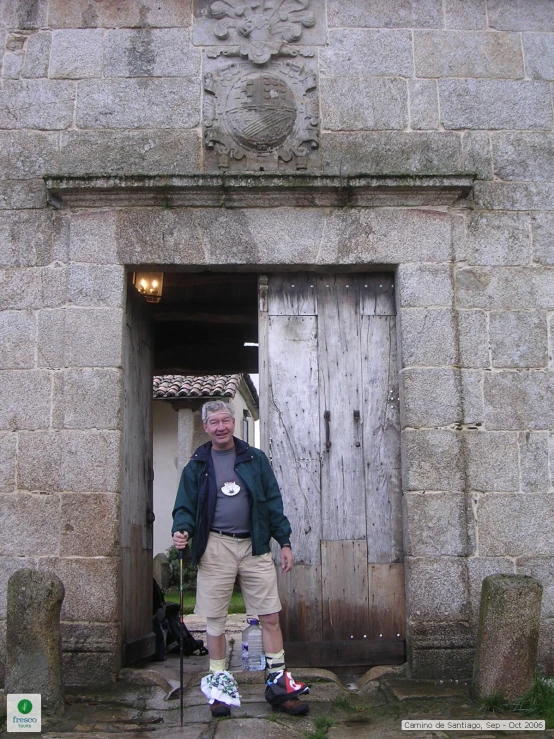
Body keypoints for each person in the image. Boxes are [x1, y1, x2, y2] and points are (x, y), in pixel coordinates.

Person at [172, 400, 310, 718]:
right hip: (216, 546)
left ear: (233, 422)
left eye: (225, 420)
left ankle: (279, 688)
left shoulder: (254, 458)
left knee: (270, 616)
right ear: (205, 427)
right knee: (216, 621)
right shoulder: (197, 464)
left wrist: (284, 541)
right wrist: (181, 530)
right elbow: (185, 506)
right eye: (213, 423)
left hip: (254, 546)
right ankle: (220, 689)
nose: (220, 427)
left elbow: (273, 501)